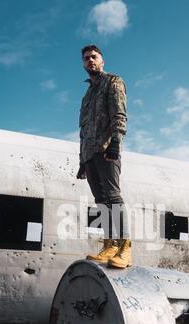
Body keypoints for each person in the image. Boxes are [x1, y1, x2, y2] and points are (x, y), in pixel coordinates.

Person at [77, 44, 131, 268]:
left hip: (107, 149)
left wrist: (116, 142)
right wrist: (82, 160)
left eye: (94, 57)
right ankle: (109, 245)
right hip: (90, 155)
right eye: (86, 58)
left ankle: (124, 247)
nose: (90, 60)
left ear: (102, 60)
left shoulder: (113, 82)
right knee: (101, 201)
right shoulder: (87, 95)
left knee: (113, 196)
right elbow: (83, 129)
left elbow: (119, 113)